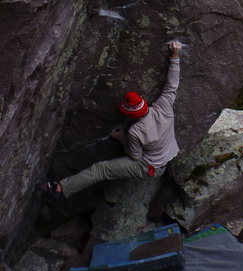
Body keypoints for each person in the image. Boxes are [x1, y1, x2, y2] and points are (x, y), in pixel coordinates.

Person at [39, 40, 182, 202]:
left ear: (131, 115)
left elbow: (135, 156)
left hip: (147, 167)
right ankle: (111, 198)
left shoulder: (135, 132)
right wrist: (175, 56)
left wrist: (122, 138)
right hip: (165, 159)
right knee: (119, 167)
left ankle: (62, 187)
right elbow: (172, 85)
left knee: (102, 169)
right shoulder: (164, 107)